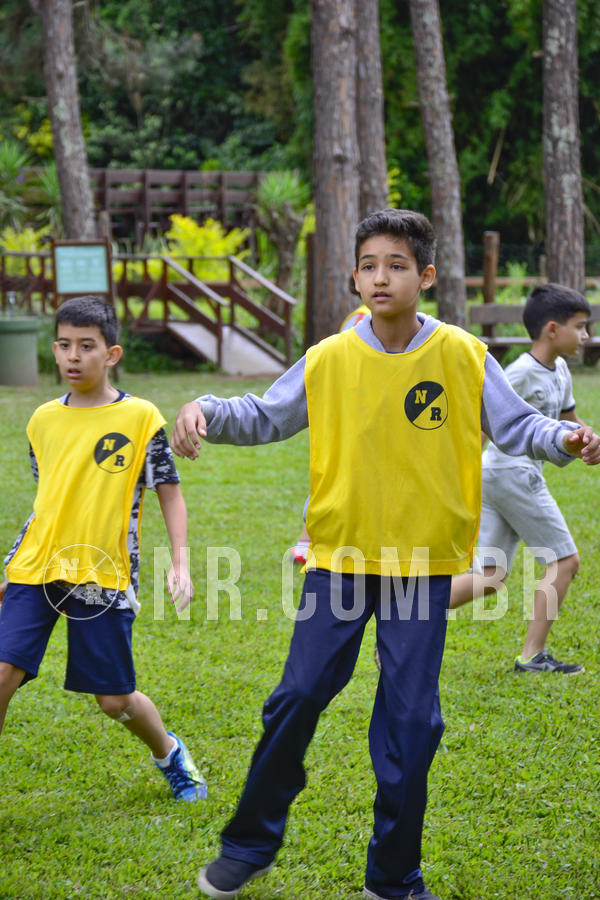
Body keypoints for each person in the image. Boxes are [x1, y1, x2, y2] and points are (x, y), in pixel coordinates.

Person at [170, 209, 600, 900]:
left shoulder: (462, 354)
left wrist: (566, 440)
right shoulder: (330, 358)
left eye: (397, 265)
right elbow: (265, 414)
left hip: (422, 569)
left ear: (425, 276)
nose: (381, 277)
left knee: (411, 721)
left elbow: (519, 427)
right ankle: (250, 843)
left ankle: (393, 877)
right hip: (340, 559)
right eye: (369, 264)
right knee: (298, 697)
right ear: (354, 275)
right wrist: (204, 408)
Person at [0, 295, 207, 802]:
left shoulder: (140, 418)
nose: (74, 356)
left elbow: (169, 492)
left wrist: (180, 561)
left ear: (111, 354)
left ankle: (169, 753)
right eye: (65, 345)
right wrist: (12, 564)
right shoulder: (41, 421)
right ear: (53, 349)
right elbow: (48, 500)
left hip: (103, 574)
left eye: (87, 346)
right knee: (2, 673)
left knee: (113, 699)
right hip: (37, 566)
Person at [450, 283, 592, 674]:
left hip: (499, 477)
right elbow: (483, 422)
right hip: (511, 473)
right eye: (580, 327)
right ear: (552, 329)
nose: (586, 336)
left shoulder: (559, 369)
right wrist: (458, 474)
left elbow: (568, 420)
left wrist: (588, 436)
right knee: (565, 561)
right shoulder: (518, 373)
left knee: (489, 576)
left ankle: (402, 617)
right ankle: (532, 655)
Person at [290, 299, 371, 565]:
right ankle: (307, 539)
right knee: (336, 475)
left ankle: (307, 540)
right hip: (353, 412)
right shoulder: (361, 319)